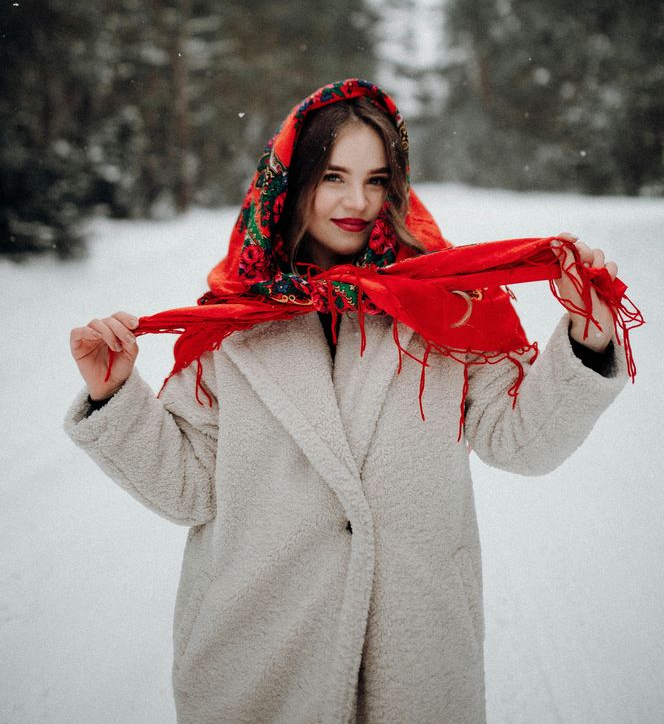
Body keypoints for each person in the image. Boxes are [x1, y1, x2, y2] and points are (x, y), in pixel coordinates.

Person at [65, 79, 629, 724]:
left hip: (411, 664)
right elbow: (190, 490)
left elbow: (519, 443)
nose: (357, 202)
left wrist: (586, 342)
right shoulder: (230, 322)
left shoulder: (446, 302)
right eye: (332, 176)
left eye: (377, 179)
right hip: (258, 661)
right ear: (289, 181)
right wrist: (115, 396)